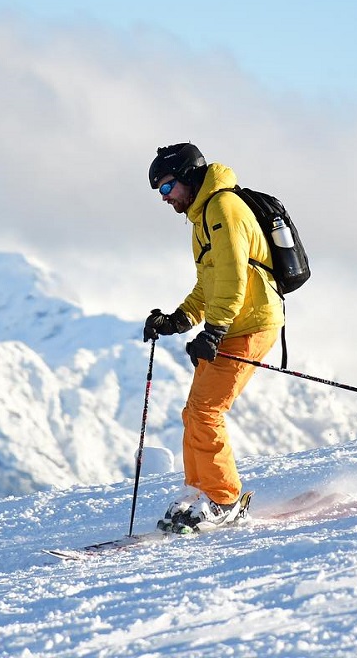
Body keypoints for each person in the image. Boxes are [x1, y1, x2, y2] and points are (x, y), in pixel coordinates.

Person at [142, 143, 284, 531]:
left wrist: (215, 329)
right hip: (233, 323)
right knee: (194, 411)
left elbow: (236, 276)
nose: (165, 199)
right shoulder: (201, 216)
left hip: (250, 324)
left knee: (207, 410)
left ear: (187, 176)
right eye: (160, 192)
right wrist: (179, 319)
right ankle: (201, 488)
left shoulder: (223, 208)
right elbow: (210, 281)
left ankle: (224, 499)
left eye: (167, 188)